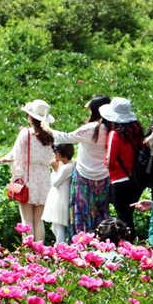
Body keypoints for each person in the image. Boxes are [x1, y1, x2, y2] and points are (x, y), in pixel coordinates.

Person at [52, 95, 111, 236]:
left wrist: (47, 128)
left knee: (82, 212)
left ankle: (83, 244)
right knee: (101, 212)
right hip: (104, 177)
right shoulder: (112, 129)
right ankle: (104, 242)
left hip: (84, 176)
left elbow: (66, 137)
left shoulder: (91, 128)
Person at [8, 99, 58, 242]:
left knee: (27, 220)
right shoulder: (51, 136)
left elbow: (16, 156)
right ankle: (40, 252)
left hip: (27, 178)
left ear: (31, 117)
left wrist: (15, 176)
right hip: (44, 178)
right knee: (39, 220)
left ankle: (29, 255)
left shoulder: (26, 134)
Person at [100, 97, 144, 234]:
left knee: (122, 217)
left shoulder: (115, 134)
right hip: (136, 180)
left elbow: (110, 160)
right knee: (128, 216)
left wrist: (105, 161)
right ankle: (132, 245)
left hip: (119, 179)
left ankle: (126, 246)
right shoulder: (137, 131)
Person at [42, 143, 75, 244]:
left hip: (60, 200)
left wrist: (54, 169)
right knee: (56, 227)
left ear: (61, 153)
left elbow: (55, 182)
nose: (54, 154)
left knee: (58, 227)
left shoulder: (66, 168)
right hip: (61, 198)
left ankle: (60, 248)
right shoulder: (71, 164)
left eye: (55, 152)